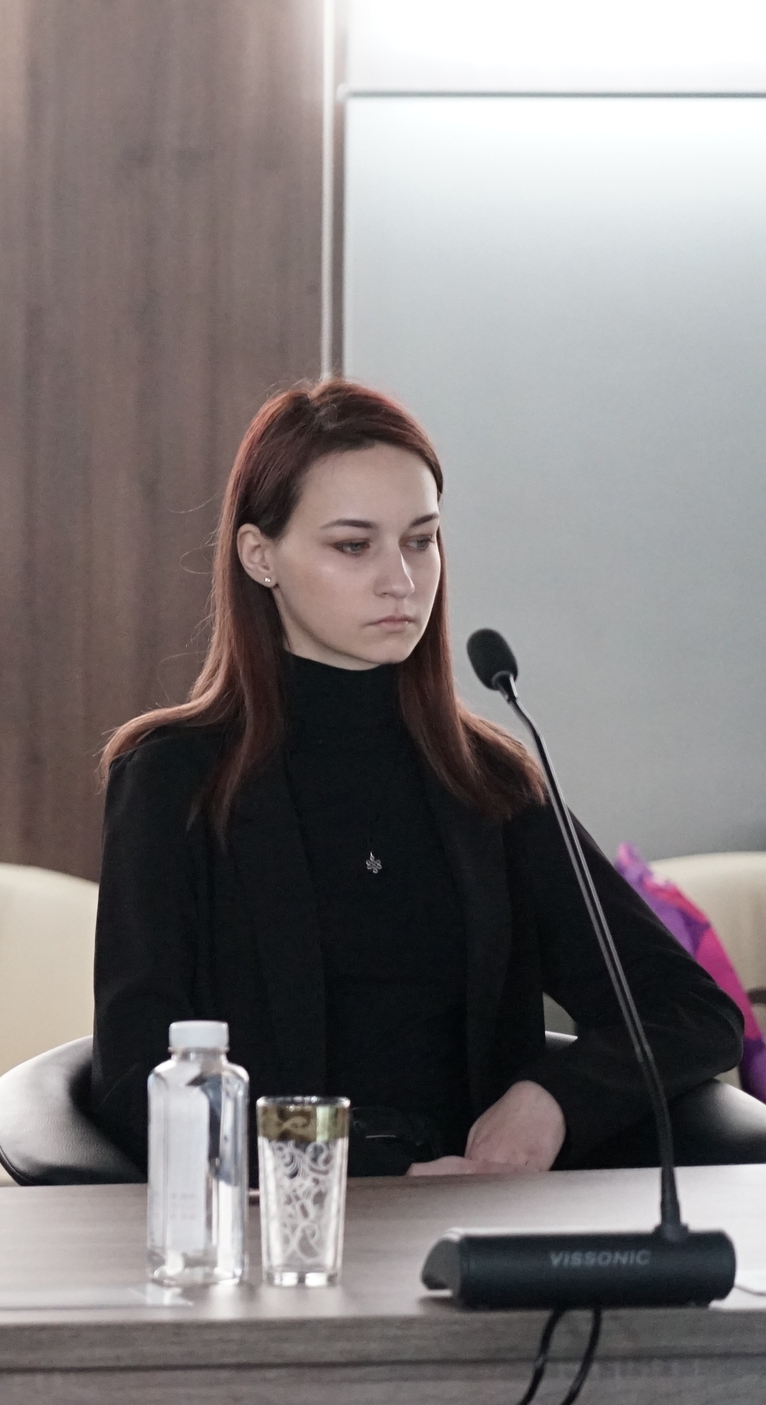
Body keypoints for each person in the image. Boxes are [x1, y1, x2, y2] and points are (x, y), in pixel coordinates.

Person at [91, 380, 742, 1176]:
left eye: (422, 539)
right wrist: (343, 1181)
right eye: (353, 546)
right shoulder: (172, 776)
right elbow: (134, 1075)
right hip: (279, 1219)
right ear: (260, 556)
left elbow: (690, 1010)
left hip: (471, 1217)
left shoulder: (491, 782)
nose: (401, 580)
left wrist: (553, 1098)